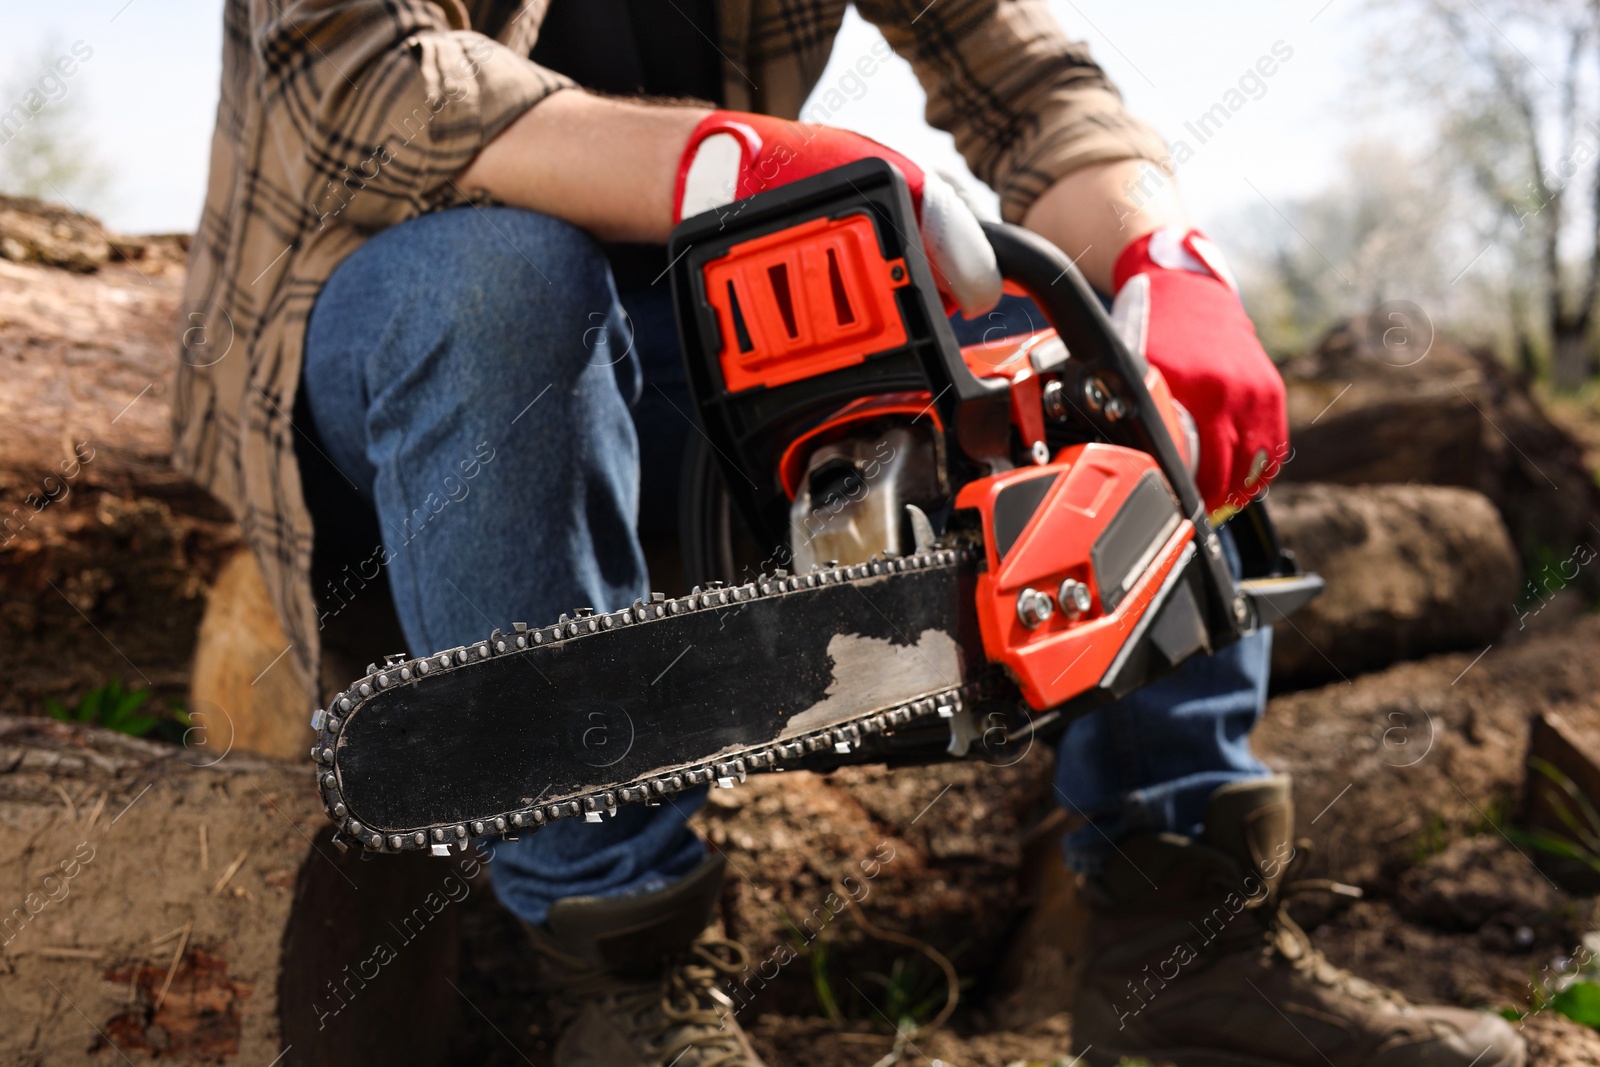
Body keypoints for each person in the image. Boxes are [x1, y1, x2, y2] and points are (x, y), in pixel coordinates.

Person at [174, 1, 1524, 1065]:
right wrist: (729, 155)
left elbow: (1032, 83)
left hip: (680, 298)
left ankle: (1192, 929)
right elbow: (364, 83)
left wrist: (1161, 260)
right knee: (505, 282)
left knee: (1052, 322)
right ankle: (625, 982)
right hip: (385, 324)